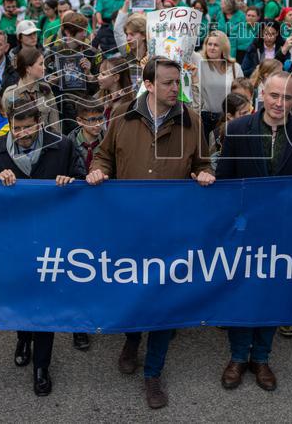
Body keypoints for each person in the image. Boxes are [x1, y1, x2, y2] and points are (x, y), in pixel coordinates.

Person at [86, 57, 214, 410]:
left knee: (163, 299)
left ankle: (153, 372)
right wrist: (98, 171)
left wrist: (204, 174)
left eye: (179, 82)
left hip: (171, 230)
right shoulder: (123, 115)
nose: (177, 89)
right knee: (134, 292)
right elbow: (104, 156)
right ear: (150, 84)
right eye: (170, 83)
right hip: (129, 226)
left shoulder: (192, 120)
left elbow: (204, 163)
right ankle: (131, 339)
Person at [215, 71, 292, 393]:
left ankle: (262, 357)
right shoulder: (238, 129)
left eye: (287, 97)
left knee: (272, 293)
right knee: (240, 292)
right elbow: (225, 180)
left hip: (283, 232)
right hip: (244, 230)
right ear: (262, 95)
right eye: (274, 96)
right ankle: (238, 357)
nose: (280, 103)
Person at [0, 99, 86, 396]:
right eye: (17, 128)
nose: (23, 134)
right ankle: (22, 337)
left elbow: (82, 181)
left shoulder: (61, 146)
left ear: (40, 123)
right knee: (18, 293)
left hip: (50, 238)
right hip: (12, 239)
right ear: (9, 126)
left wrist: (72, 180)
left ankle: (42, 366)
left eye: (28, 127)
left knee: (44, 301)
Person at [191, 31, 244, 138]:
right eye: (209, 44)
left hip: (226, 118)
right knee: (204, 152)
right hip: (204, 117)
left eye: (216, 45)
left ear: (223, 48)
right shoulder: (200, 61)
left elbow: (241, 95)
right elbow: (186, 47)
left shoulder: (234, 67)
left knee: (222, 151)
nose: (212, 47)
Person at [2, 47, 61, 131]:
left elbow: (55, 124)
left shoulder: (45, 90)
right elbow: (6, 128)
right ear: (28, 68)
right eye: (41, 64)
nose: (44, 68)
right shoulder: (10, 94)